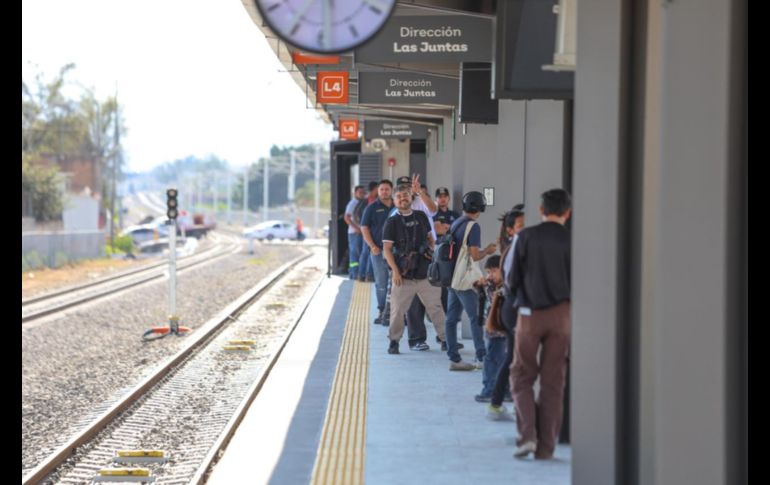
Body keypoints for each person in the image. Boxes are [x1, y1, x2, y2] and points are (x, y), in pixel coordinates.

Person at [509, 189, 572, 460]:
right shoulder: (572, 240)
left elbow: (511, 277)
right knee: (553, 381)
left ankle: (527, 437)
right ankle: (546, 448)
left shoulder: (526, 237)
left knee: (521, 374)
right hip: (562, 315)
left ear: (541, 210)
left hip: (529, 313)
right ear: (567, 212)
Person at [381, 184, 446, 354]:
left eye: (405, 195)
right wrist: (395, 271)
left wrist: (432, 253)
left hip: (425, 273)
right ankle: (394, 342)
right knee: (397, 312)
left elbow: (430, 238)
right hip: (403, 276)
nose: (403, 198)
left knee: (436, 308)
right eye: (399, 196)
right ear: (394, 201)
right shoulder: (392, 222)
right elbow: (387, 249)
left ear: (411, 197)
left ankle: (446, 339)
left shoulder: (421, 216)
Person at [444, 191, 497, 371]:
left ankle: (454, 359)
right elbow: (474, 256)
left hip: (452, 278)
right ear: (480, 208)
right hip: (465, 280)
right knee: (476, 318)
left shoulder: (457, 222)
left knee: (451, 319)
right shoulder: (473, 226)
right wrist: (488, 251)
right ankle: (481, 357)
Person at [486, 204, 525, 421]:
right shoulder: (515, 249)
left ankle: (497, 401)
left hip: (512, 307)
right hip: (514, 308)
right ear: (510, 230)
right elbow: (514, 281)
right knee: (513, 357)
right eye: (521, 225)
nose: (526, 229)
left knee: (512, 357)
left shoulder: (513, 246)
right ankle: (498, 401)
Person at [360, 180, 394, 324]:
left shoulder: (397, 206)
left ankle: (395, 311)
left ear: (392, 190)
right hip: (378, 251)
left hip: (396, 251)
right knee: (381, 282)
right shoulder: (371, 208)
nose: (384, 192)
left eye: (387, 189)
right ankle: (382, 311)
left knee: (398, 282)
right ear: (378, 191)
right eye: (382, 189)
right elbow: (364, 227)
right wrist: (372, 246)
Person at [358, 181, 379, 282]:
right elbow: (357, 213)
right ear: (375, 189)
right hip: (367, 231)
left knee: (369, 252)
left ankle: (366, 275)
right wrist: (363, 225)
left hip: (372, 231)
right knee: (367, 252)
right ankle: (364, 275)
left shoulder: (374, 200)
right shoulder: (367, 200)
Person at [343, 185, 366, 279]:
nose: (362, 194)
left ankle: (356, 273)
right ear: (355, 193)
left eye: (363, 192)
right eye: (360, 192)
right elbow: (346, 218)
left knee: (359, 253)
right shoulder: (353, 203)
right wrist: (357, 228)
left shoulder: (362, 203)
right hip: (354, 233)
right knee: (354, 254)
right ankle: (354, 274)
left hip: (360, 232)